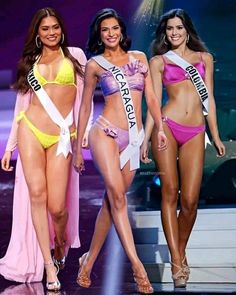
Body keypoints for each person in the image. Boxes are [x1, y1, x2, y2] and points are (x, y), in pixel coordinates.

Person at [73, 8, 167, 294]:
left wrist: (159, 129)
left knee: (110, 202)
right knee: (116, 195)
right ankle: (138, 266)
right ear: (99, 35)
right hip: (104, 133)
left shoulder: (139, 58)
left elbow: (151, 96)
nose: (111, 33)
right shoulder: (95, 65)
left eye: (115, 28)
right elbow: (86, 105)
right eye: (105, 30)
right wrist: (78, 148)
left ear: (122, 32)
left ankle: (88, 261)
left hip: (134, 139)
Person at [0, 7, 93, 291]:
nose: (51, 32)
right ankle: (48, 266)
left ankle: (61, 243)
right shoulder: (30, 62)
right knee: (37, 196)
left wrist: (84, 134)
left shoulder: (75, 56)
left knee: (57, 207)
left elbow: (85, 99)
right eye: (45, 29)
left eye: (54, 27)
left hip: (62, 135)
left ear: (61, 29)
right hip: (31, 129)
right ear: (37, 34)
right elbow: (21, 106)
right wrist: (10, 146)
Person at [141, 8, 225, 288]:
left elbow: (209, 98)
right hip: (167, 126)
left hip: (195, 131)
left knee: (189, 201)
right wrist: (145, 138)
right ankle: (178, 261)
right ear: (165, 33)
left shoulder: (205, 58)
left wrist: (216, 135)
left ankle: (179, 249)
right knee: (169, 193)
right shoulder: (158, 61)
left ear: (187, 29)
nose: (174, 33)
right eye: (169, 29)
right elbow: (152, 103)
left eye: (178, 28)